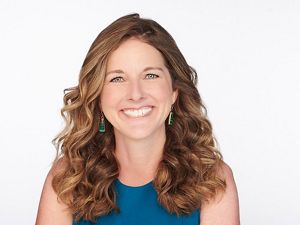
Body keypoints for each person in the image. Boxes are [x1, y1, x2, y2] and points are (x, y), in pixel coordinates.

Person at [35, 13, 240, 225]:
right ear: (97, 96)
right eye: (117, 78)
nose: (136, 93)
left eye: (150, 75)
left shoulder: (212, 179)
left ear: (174, 92)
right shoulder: (68, 178)